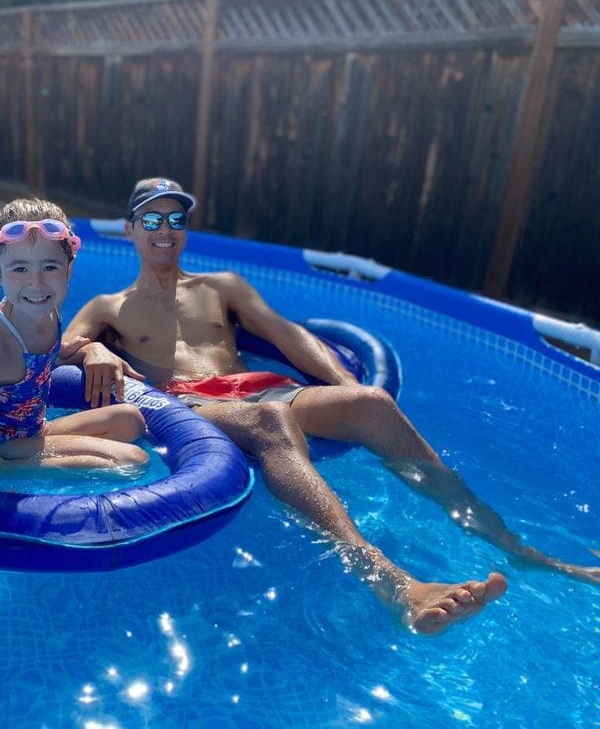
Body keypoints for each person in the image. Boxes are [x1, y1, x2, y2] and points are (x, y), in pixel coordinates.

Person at [64, 176, 600, 635]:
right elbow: (56, 349)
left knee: (369, 403)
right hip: (186, 406)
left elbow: (287, 334)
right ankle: (392, 583)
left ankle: (517, 547)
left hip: (253, 384)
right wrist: (91, 349)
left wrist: (345, 386)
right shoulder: (108, 305)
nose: (164, 231)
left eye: (174, 219)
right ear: (130, 230)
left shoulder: (221, 286)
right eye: (150, 221)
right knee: (270, 418)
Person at [0, 198, 148, 492]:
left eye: (50, 267)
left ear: (68, 270)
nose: (36, 283)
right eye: (19, 269)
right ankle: (4, 468)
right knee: (133, 462)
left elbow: (43, 358)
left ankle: (21, 456)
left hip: (34, 429)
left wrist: (90, 350)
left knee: (131, 420)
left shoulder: (48, 308)